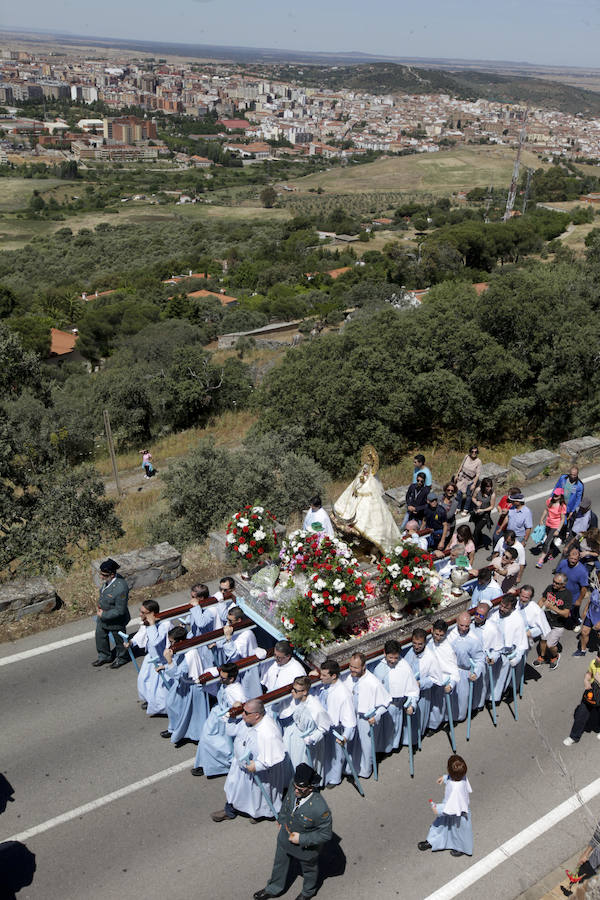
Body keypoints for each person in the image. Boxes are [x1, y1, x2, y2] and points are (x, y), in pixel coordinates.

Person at [253, 763, 332, 900]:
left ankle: (308, 892)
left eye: (300, 789)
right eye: (295, 787)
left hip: (306, 847)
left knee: (309, 870)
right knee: (279, 863)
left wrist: (301, 839)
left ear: (310, 788)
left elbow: (325, 834)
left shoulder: (320, 809)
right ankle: (273, 888)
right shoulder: (294, 785)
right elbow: (287, 802)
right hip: (285, 835)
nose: (296, 791)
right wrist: (281, 819)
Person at [211, 698, 291, 823]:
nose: (242, 714)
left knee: (258, 796)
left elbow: (275, 756)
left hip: (260, 772)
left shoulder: (268, 732)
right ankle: (230, 810)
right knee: (235, 790)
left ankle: (260, 814)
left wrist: (257, 766)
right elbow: (231, 731)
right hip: (240, 767)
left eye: (246, 712)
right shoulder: (247, 720)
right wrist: (232, 713)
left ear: (257, 715)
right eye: (243, 711)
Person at [333, 458, 400, 553]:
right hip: (356, 501)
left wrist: (364, 482)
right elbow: (354, 487)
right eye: (363, 469)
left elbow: (370, 491)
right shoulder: (360, 476)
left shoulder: (372, 480)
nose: (364, 471)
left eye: (366, 470)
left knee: (370, 522)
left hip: (369, 503)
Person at [193, 662, 247, 777]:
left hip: (225, 721)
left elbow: (238, 709)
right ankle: (206, 765)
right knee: (205, 739)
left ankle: (222, 766)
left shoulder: (236, 691)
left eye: (223, 678)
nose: (220, 679)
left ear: (231, 679)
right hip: (216, 716)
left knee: (217, 744)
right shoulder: (225, 684)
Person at [159, 625, 210, 747]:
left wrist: (169, 662)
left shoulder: (190, 653)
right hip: (184, 684)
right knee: (173, 705)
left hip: (192, 686)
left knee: (194, 713)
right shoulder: (183, 649)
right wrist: (166, 666)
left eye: (172, 642)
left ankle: (195, 735)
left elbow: (178, 673)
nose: (170, 645)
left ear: (180, 641)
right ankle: (175, 729)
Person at [342, 652, 391, 778]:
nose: (352, 670)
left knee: (366, 745)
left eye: (355, 667)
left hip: (366, 718)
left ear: (364, 667)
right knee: (352, 743)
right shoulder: (350, 677)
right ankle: (351, 767)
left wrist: (376, 716)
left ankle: (365, 770)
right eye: (351, 666)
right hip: (353, 715)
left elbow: (385, 703)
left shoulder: (373, 682)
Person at [418, 755, 473, 857]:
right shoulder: (461, 777)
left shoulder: (456, 790)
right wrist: (444, 778)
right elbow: (453, 779)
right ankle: (432, 841)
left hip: (455, 812)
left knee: (457, 832)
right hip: (454, 809)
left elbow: (451, 806)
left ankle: (460, 848)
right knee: (444, 827)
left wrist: (437, 809)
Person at [314, 659, 356, 788]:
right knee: (325, 754)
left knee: (336, 755)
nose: (321, 677)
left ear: (334, 676)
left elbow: (349, 719)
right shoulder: (325, 686)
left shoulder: (343, 694)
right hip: (324, 726)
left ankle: (334, 778)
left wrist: (345, 736)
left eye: (324, 675)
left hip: (336, 729)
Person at [371, 640, 419, 751]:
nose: (393, 661)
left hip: (397, 704)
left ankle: (393, 747)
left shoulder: (404, 667)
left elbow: (412, 689)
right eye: (390, 658)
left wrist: (411, 704)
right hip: (383, 707)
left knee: (395, 729)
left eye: (396, 658)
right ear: (385, 653)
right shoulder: (379, 669)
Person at [278, 676, 331, 776]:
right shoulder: (295, 699)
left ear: (305, 692)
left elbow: (324, 727)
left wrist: (312, 738)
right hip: (296, 737)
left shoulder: (316, 707)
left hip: (309, 739)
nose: (292, 692)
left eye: (296, 690)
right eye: (292, 689)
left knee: (305, 765)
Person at [127, 600, 171, 715]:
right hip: (151, 658)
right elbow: (141, 634)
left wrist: (152, 625)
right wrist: (131, 642)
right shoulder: (145, 623)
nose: (140, 615)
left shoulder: (164, 624)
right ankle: (150, 700)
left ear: (152, 613)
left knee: (160, 687)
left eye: (144, 613)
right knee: (144, 680)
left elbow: (156, 640)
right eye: (140, 612)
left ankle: (163, 708)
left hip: (162, 659)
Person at [404, 628, 444, 738]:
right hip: (408, 690)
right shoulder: (410, 652)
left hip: (422, 693)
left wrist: (420, 683)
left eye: (420, 644)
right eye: (414, 643)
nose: (416, 647)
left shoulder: (430, 657)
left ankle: (416, 739)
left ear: (425, 643)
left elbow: (436, 679)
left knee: (418, 719)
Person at [93, 557, 130, 669]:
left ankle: (122, 658)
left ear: (112, 575)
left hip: (115, 620)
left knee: (119, 642)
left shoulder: (121, 588)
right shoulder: (108, 581)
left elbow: (120, 610)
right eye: (101, 574)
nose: (101, 577)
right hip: (103, 616)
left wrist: (103, 615)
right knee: (100, 636)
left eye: (104, 575)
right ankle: (104, 656)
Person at [447, 612, 485, 722]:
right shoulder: (451, 635)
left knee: (461, 698)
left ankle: (459, 718)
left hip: (464, 673)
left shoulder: (474, 640)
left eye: (467, 626)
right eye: (461, 625)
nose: (464, 628)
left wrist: (476, 672)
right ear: (457, 623)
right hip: (450, 670)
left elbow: (479, 659)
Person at [489, 595, 528, 697]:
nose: (501, 609)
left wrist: (516, 658)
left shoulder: (517, 621)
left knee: (499, 678)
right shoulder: (495, 613)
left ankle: (495, 698)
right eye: (501, 606)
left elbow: (521, 644)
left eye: (506, 608)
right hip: (491, 652)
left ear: (513, 608)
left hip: (505, 655)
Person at [533, 572, 573, 670]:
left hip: (558, 624)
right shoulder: (550, 588)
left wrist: (552, 607)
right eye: (553, 582)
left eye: (557, 583)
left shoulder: (567, 595)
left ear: (563, 585)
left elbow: (566, 614)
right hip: (546, 620)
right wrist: (536, 612)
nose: (554, 584)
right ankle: (542, 657)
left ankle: (555, 657)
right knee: (542, 640)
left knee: (550, 644)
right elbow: (542, 599)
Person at [563, 650, 600, 746]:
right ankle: (574, 736)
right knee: (581, 714)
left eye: (599, 658)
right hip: (591, 693)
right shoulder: (594, 662)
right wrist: (586, 680)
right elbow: (589, 673)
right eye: (598, 656)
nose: (597, 658)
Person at [428, 620, 459, 731]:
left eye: (441, 635)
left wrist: (451, 684)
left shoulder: (448, 649)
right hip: (430, 678)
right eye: (436, 634)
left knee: (438, 706)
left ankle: (434, 726)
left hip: (443, 680)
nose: (438, 637)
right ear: (432, 630)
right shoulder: (429, 643)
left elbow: (454, 671)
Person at [471, 604, 504, 709]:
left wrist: (492, 657)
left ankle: (478, 705)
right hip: (470, 660)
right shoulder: (470, 625)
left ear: (486, 616)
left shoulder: (493, 628)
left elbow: (498, 647)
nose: (477, 617)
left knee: (482, 684)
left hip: (483, 660)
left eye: (481, 616)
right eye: (476, 614)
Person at [555, 547, 589, 632]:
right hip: (562, 592)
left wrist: (579, 600)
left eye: (575, 559)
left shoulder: (582, 571)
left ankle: (576, 623)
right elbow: (557, 573)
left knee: (573, 613)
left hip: (573, 596)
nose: (573, 561)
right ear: (568, 556)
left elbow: (584, 588)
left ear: (579, 558)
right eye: (571, 558)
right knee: (561, 608)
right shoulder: (563, 563)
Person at [536, 488, 567, 568]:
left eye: (557, 495)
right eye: (554, 494)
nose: (555, 496)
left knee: (546, 542)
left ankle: (541, 560)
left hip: (555, 526)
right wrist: (541, 519)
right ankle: (553, 551)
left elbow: (562, 519)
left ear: (561, 496)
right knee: (550, 540)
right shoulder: (550, 500)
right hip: (548, 524)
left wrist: (558, 529)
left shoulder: (562, 506)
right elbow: (546, 510)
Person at [554, 465, 585, 529]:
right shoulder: (563, 478)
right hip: (559, 505)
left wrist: (573, 511)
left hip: (568, 508)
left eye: (575, 475)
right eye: (571, 474)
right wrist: (551, 499)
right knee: (556, 521)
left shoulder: (579, 485)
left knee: (565, 524)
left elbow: (578, 500)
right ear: (569, 473)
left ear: (577, 474)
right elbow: (556, 488)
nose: (573, 477)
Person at [470, 476, 496, 551]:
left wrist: (482, 510)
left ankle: (474, 547)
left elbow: (492, 506)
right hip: (476, 513)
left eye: (490, 486)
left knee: (476, 531)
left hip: (485, 515)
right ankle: (481, 540)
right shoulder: (478, 490)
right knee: (477, 528)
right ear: (483, 486)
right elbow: (473, 498)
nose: (489, 488)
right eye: (487, 487)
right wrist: (476, 502)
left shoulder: (492, 494)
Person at [576, 580, 600, 656]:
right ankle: (583, 650)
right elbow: (590, 600)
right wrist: (586, 610)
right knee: (584, 632)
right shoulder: (597, 589)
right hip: (591, 614)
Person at [454, 446, 481, 512]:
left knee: (469, 495)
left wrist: (474, 484)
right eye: (472, 451)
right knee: (459, 492)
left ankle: (466, 509)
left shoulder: (478, 461)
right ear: (470, 451)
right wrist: (457, 474)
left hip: (470, 479)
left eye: (475, 452)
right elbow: (461, 466)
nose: (474, 453)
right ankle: (458, 507)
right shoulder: (466, 457)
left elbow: (478, 474)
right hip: (462, 477)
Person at [439, 482, 459, 549]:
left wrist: (438, 514)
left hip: (449, 525)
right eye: (448, 490)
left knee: (445, 541)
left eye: (452, 491)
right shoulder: (440, 497)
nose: (450, 492)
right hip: (439, 523)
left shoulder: (455, 502)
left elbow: (449, 515)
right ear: (445, 490)